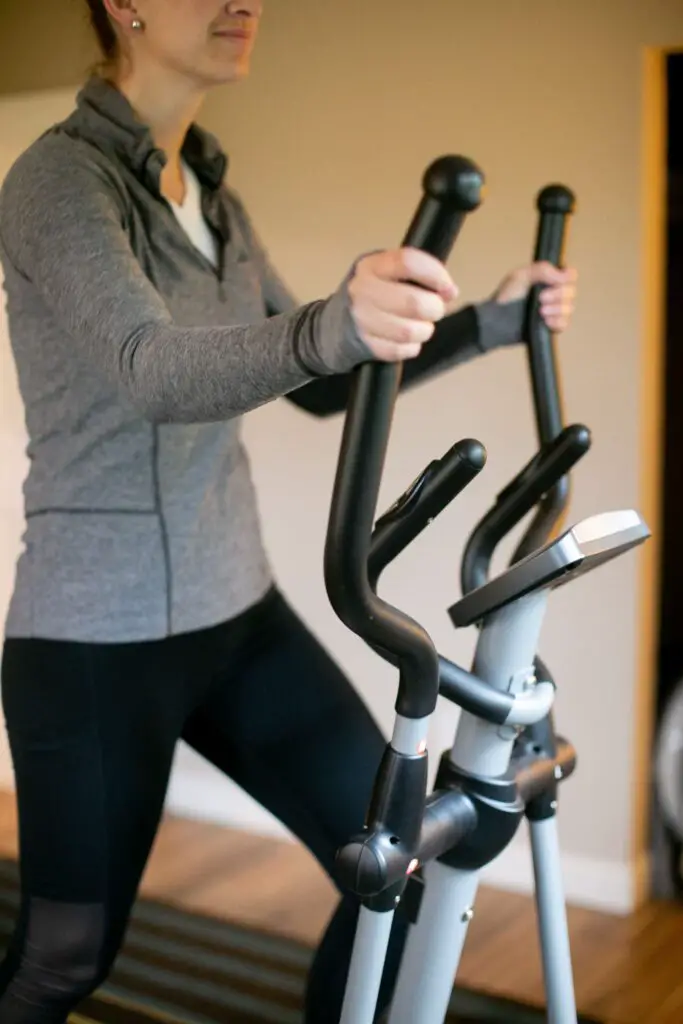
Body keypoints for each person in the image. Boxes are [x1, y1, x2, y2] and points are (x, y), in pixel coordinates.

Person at [0, 1, 577, 1021]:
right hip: (94, 640)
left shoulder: (211, 196)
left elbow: (319, 376)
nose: (241, 1)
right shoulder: (60, 180)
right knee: (64, 960)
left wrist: (489, 318)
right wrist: (329, 324)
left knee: (390, 863)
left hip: (238, 612)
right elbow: (152, 368)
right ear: (124, 5)